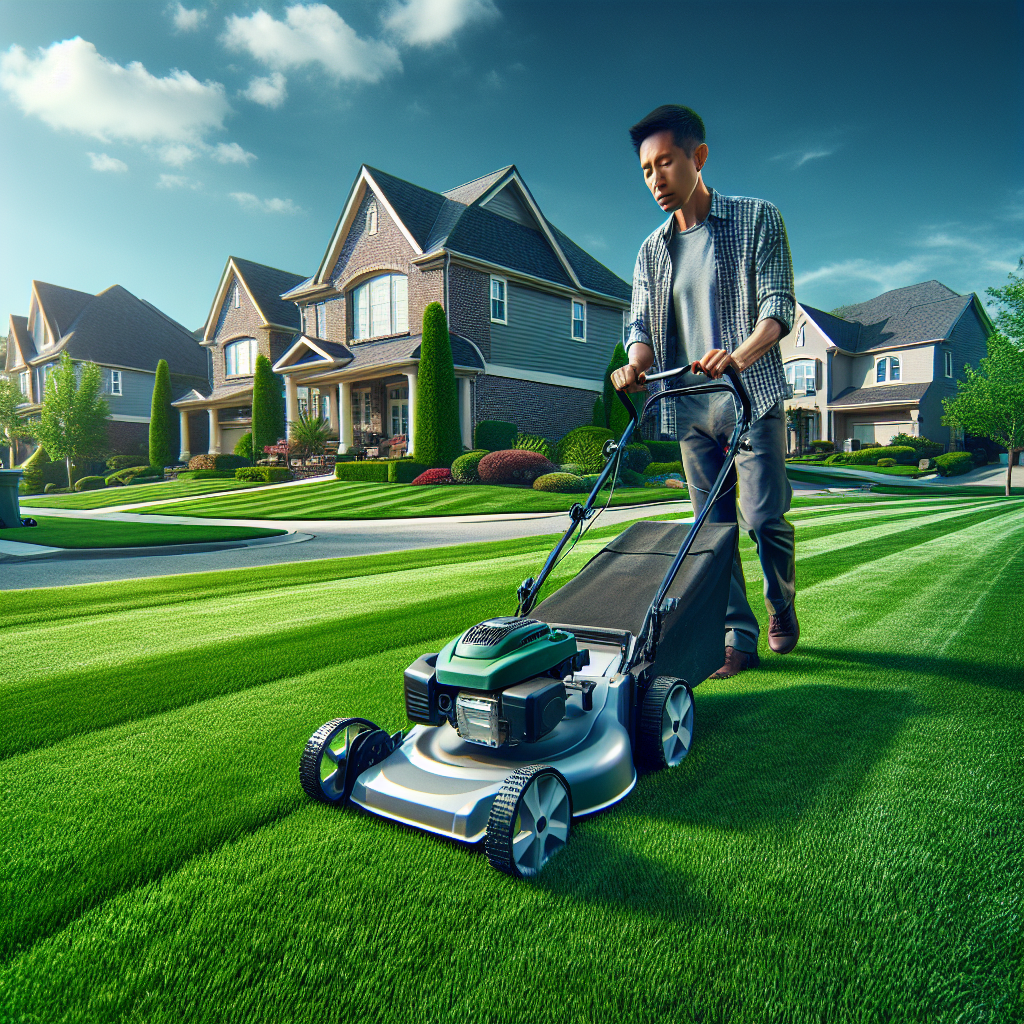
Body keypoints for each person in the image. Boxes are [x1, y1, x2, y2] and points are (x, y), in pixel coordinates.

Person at [611, 104, 798, 678]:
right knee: (711, 536)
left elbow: (777, 308)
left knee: (763, 518)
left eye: (665, 162)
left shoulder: (757, 218)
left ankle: (782, 600)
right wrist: (634, 364)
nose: (655, 178)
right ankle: (737, 642)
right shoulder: (650, 250)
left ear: (699, 156)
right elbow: (640, 326)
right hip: (690, 410)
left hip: (751, 398)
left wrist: (735, 357)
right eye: (646, 169)